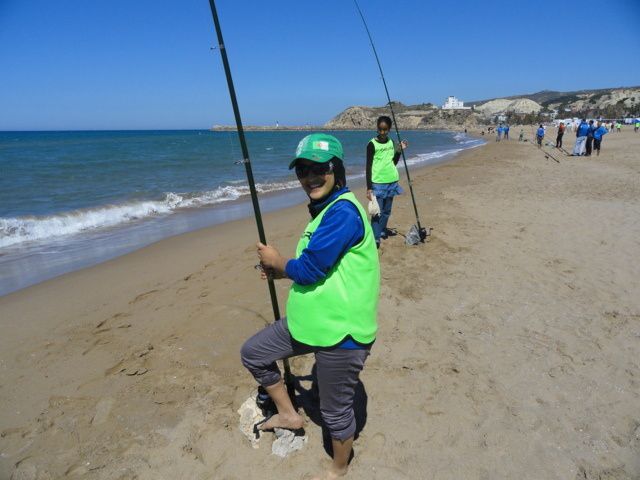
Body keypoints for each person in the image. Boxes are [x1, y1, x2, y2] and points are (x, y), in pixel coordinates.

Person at [241, 133, 380, 480]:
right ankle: (289, 414)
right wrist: (278, 272)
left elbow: (310, 268)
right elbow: (319, 269)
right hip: (310, 323)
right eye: (302, 170)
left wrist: (279, 261)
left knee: (334, 415)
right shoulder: (326, 211)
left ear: (337, 169)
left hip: (341, 334)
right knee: (254, 353)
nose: (310, 177)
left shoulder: (343, 213)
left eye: (319, 168)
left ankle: (338, 468)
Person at [366, 116, 407, 248]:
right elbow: (368, 166)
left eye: (385, 130)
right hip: (377, 183)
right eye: (380, 129)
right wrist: (369, 187)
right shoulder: (371, 144)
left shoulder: (392, 143)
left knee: (387, 211)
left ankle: (382, 230)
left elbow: (393, 162)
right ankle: (375, 237)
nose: (382, 132)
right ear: (377, 128)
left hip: (392, 181)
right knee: (377, 212)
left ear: (389, 129)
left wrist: (399, 150)